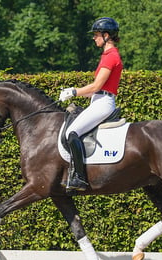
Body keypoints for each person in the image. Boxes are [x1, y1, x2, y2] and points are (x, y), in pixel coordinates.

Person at [59, 17, 123, 192]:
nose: (94, 38)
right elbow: (93, 91)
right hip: (98, 100)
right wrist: (72, 94)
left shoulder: (111, 57)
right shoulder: (107, 56)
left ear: (106, 35)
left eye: (96, 35)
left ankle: (79, 177)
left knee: (72, 133)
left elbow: (96, 86)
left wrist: (74, 91)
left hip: (103, 102)